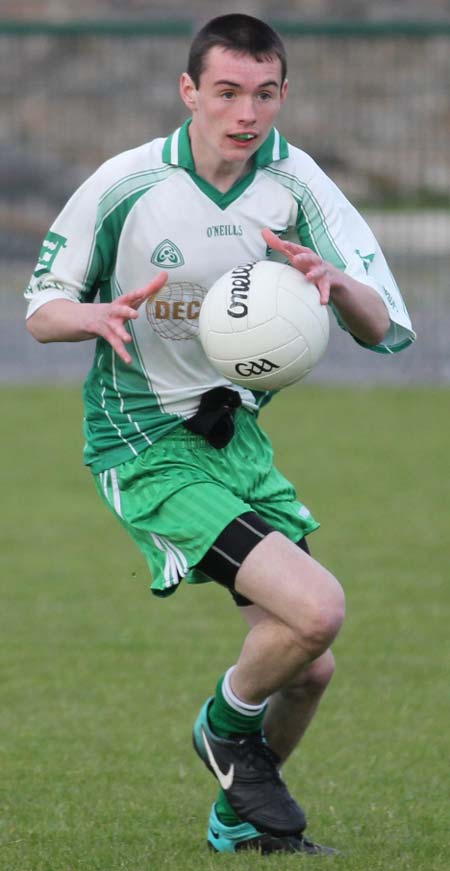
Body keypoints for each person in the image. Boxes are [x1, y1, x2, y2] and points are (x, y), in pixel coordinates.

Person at [25, 13, 415, 856]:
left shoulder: (297, 185)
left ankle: (237, 817)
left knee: (309, 665)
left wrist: (333, 282)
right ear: (189, 91)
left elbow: (384, 323)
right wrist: (90, 315)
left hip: (234, 442)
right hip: (143, 443)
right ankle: (220, 728)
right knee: (319, 607)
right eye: (228, 91)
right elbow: (40, 308)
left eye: (265, 93)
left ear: (283, 93)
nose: (247, 112)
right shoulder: (126, 185)